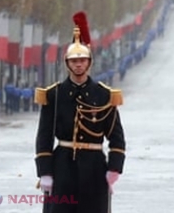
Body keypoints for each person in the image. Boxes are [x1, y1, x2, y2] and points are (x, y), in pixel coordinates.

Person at [34, 11, 126, 213]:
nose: (78, 64)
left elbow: (117, 137)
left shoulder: (103, 95)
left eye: (82, 60)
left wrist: (113, 168)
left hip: (94, 170)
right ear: (67, 63)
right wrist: (45, 171)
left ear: (89, 62)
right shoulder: (54, 94)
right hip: (62, 168)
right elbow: (44, 137)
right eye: (74, 61)